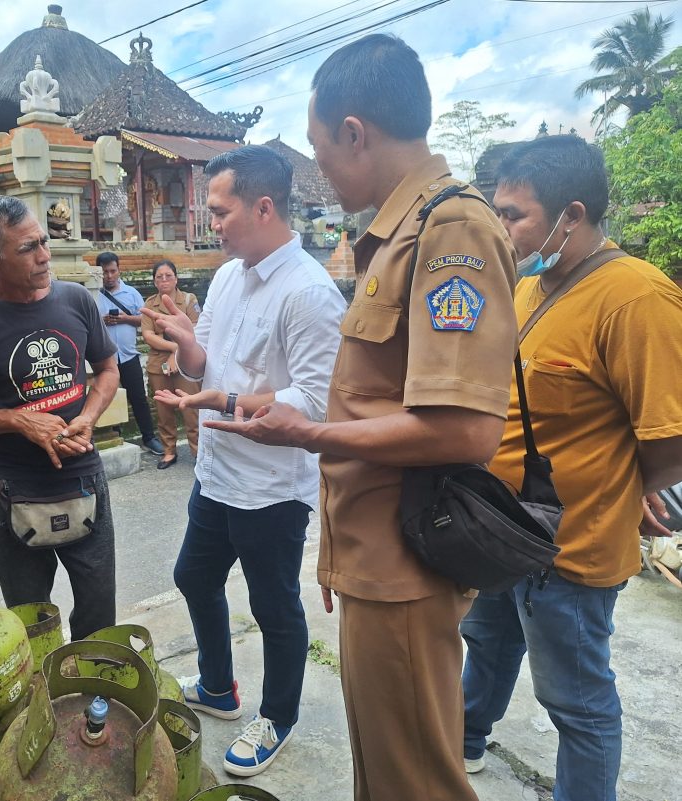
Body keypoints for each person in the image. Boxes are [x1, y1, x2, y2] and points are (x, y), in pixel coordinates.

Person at [208, 35, 517, 801]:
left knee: (416, 781)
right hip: (375, 556)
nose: (319, 170)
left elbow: (466, 428)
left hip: (408, 563)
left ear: (355, 133)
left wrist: (306, 432)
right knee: (382, 770)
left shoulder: (450, 230)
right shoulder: (394, 236)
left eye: (319, 149)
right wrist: (337, 553)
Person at [460, 135, 682, 801]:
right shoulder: (529, 287)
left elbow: (671, 437)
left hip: (571, 548)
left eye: (514, 215)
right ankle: (465, 737)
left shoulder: (637, 298)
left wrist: (631, 487)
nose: (502, 229)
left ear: (572, 215)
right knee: (488, 642)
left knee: (576, 700)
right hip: (501, 529)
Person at [142, 144, 346, 776]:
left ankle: (277, 716)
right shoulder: (229, 275)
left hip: (271, 488)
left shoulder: (309, 293)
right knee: (193, 576)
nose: (211, 223)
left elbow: (316, 402)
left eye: (219, 211)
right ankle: (218, 686)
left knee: (274, 607)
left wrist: (228, 399)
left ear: (262, 208)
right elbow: (206, 362)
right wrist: (185, 344)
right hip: (217, 472)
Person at [0, 196, 121, 640]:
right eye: (27, 248)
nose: (44, 256)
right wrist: (20, 421)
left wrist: (88, 417)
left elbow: (108, 369)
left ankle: (93, 676)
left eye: (43, 241)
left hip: (81, 475)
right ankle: (40, 680)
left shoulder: (76, 299)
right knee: (31, 615)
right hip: (12, 486)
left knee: (98, 607)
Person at [94, 251, 164, 457]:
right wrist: (101, 322)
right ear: (98, 272)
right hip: (104, 359)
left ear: (119, 270)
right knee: (106, 398)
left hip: (128, 356)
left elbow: (145, 320)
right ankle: (114, 436)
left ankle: (149, 437)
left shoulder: (131, 293)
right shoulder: (92, 295)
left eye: (112, 271)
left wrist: (125, 318)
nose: (109, 276)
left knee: (138, 398)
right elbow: (87, 323)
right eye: (105, 272)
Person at [141, 259, 201, 469]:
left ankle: (198, 451)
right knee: (163, 410)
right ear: (154, 281)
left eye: (168, 276)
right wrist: (174, 347)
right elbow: (148, 335)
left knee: (191, 408)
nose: (164, 280)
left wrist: (177, 352)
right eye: (159, 277)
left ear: (176, 279)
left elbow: (197, 328)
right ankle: (169, 451)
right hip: (159, 363)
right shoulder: (150, 304)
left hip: (186, 362)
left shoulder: (188, 300)